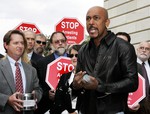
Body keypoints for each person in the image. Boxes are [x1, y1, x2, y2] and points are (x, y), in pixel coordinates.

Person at [72, 6, 138, 114]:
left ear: (107, 22)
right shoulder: (83, 49)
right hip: (85, 109)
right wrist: (75, 84)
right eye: (88, 19)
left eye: (96, 18)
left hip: (113, 110)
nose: (91, 22)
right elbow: (79, 78)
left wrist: (99, 86)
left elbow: (132, 83)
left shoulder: (124, 47)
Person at [0, 30, 43, 114]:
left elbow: (38, 89)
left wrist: (36, 95)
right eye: (16, 43)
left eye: (22, 43)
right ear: (6, 45)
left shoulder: (31, 70)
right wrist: (7, 99)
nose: (20, 46)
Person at [35, 31, 68, 114]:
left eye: (62, 41)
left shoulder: (74, 60)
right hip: (48, 108)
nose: (60, 43)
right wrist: (47, 94)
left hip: (70, 108)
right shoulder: (42, 63)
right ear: (51, 45)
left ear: (66, 42)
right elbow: (38, 86)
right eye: (56, 42)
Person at [54, 44, 82, 114]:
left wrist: (76, 112)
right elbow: (58, 97)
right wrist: (65, 112)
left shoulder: (88, 75)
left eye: (77, 55)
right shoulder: (64, 76)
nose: (74, 58)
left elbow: (89, 99)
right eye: (71, 55)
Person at [130, 41, 150, 114]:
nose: (144, 50)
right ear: (137, 50)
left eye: (147, 49)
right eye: (141, 48)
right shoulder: (129, 65)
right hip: (134, 108)